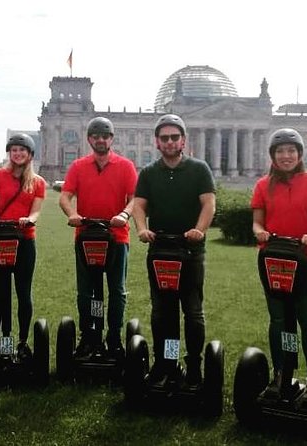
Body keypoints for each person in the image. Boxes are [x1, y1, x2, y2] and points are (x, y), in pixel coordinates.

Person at [132, 114, 216, 388]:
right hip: (160, 250)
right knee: (162, 311)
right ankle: (166, 361)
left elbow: (208, 205)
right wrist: (142, 229)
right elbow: (139, 206)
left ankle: (193, 363)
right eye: (164, 138)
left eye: (174, 137)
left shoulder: (199, 169)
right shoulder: (148, 173)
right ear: (157, 142)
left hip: (190, 251)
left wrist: (199, 230)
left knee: (192, 311)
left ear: (183, 140)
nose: (169, 142)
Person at [251, 128, 307, 405]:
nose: (286, 156)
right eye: (280, 151)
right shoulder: (263, 185)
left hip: (306, 260)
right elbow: (257, 221)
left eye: (291, 151)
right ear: (273, 155)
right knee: (278, 320)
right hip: (274, 260)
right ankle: (281, 373)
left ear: (299, 154)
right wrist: (259, 232)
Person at [59, 117, 137, 358]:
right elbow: (65, 196)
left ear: (112, 139)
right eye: (96, 136)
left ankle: (113, 337)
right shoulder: (78, 167)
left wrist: (124, 214)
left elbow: (136, 198)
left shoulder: (125, 166)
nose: (101, 140)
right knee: (88, 292)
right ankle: (91, 333)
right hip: (87, 236)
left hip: (117, 237)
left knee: (117, 291)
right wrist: (72, 214)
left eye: (105, 136)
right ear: (89, 139)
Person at [0, 133, 46, 361]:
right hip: (0, 239)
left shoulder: (38, 182)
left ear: (30, 155)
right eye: (14, 150)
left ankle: (23, 341)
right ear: (10, 152)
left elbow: (36, 209)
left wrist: (31, 219)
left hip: (24, 240)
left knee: (23, 293)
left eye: (22, 150)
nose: (17, 153)